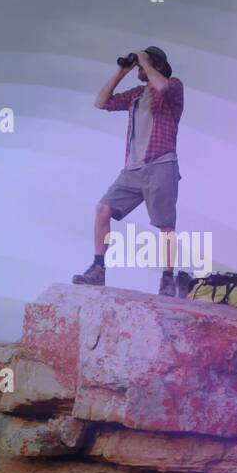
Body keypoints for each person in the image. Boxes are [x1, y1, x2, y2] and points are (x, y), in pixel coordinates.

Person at [72, 45, 185, 296]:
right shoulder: (136, 94)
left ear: (156, 65)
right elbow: (101, 102)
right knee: (103, 209)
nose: (139, 69)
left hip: (161, 163)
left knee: (165, 225)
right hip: (132, 168)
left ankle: (168, 279)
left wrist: (145, 62)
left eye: (144, 64)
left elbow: (163, 87)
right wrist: (121, 72)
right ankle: (98, 269)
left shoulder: (173, 86)